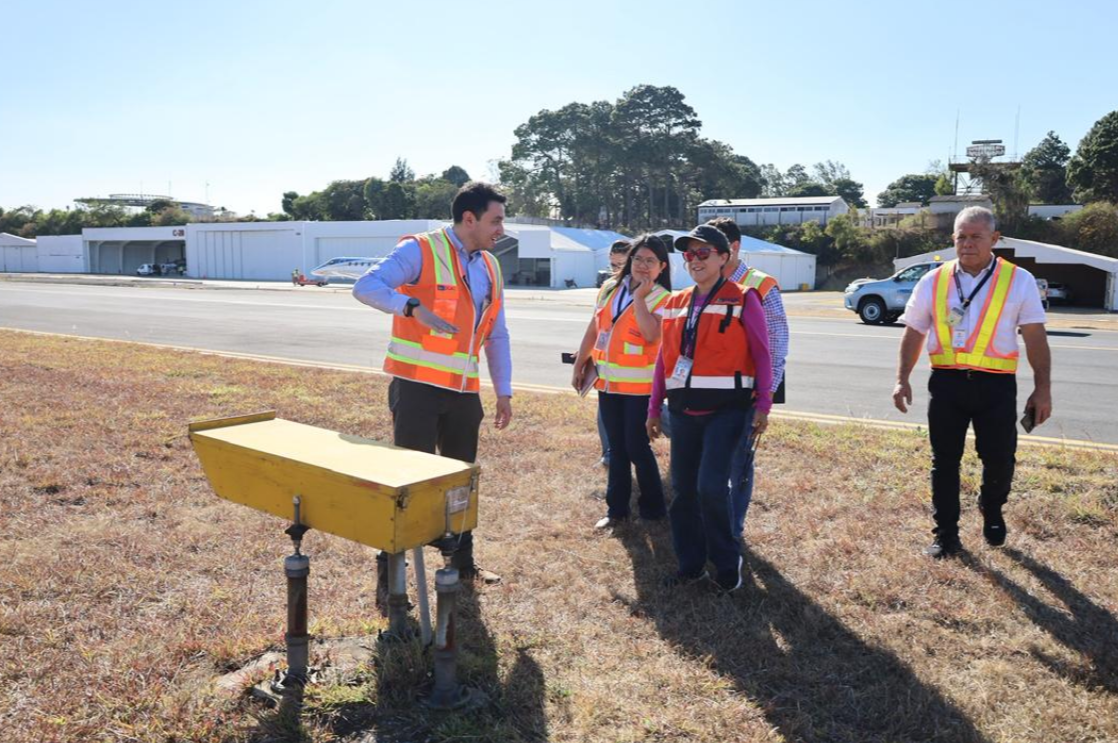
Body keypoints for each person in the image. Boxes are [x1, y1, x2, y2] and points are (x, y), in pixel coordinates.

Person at [353, 181, 512, 589]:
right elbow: (366, 287)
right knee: (407, 481)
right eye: (496, 220)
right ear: (469, 218)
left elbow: (496, 334)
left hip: (464, 393)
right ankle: (392, 572)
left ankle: (462, 562)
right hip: (417, 389)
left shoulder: (490, 265)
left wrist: (504, 390)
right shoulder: (419, 250)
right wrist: (410, 306)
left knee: (459, 480)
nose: (501, 229)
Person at [893, 206, 1052, 558]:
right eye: (960, 237)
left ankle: (992, 507)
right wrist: (902, 379)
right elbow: (915, 331)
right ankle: (946, 535)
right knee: (944, 461)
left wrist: (1043, 388)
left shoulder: (1019, 280)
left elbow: (1036, 338)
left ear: (994, 240)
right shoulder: (932, 280)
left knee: (999, 459)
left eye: (976, 237)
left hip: (995, 387)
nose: (967, 244)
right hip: (947, 385)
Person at [647, 225, 772, 593]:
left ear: (723, 257)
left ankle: (726, 562)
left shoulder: (744, 298)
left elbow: (763, 354)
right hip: (684, 411)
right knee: (684, 491)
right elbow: (663, 361)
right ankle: (690, 565)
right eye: (689, 254)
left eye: (704, 253)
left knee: (711, 487)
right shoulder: (674, 303)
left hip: (728, 411)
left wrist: (764, 403)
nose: (696, 260)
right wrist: (654, 406)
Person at [574, 235, 672, 529]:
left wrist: (640, 298)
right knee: (616, 448)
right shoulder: (609, 288)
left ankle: (653, 508)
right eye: (638, 259)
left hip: (639, 388)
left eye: (650, 261)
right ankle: (616, 510)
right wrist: (581, 361)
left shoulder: (662, 297)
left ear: (661, 267)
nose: (643, 266)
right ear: (630, 260)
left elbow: (651, 334)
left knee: (636, 447)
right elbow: (595, 326)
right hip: (608, 382)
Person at [706, 217, 789, 544]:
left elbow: (778, 341)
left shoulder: (760, 284)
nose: (702, 257)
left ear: (734, 248)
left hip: (746, 391)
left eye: (711, 250)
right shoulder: (705, 281)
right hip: (706, 388)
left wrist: (765, 397)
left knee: (739, 462)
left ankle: (733, 528)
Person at [597, 239, 632, 467]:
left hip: (637, 368)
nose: (616, 270)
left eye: (621, 265)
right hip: (609, 363)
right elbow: (597, 323)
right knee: (604, 410)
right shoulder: (608, 287)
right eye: (613, 265)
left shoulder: (649, 289)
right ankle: (610, 455)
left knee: (656, 413)